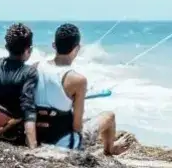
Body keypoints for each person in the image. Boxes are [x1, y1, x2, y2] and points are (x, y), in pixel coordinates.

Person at [34, 23, 132, 154]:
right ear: (77, 48)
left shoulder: (35, 68)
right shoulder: (78, 80)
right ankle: (109, 151)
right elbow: (77, 126)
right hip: (63, 143)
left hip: (37, 135)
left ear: (54, 45)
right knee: (109, 116)